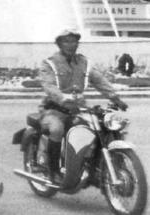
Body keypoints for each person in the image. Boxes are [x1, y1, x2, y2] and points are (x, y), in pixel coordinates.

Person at [39, 29, 128, 183]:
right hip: (54, 109)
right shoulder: (49, 63)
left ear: (77, 43)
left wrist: (115, 98)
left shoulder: (84, 63)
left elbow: (99, 81)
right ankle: (53, 171)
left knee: (101, 128)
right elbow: (48, 85)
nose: (70, 44)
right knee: (56, 129)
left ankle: (95, 167)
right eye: (66, 41)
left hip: (78, 109)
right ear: (59, 43)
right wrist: (62, 97)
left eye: (73, 41)